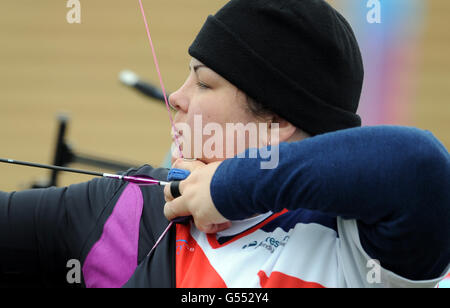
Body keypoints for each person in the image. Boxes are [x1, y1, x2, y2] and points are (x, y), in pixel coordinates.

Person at [0, 0, 448, 288]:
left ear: (277, 121)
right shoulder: (131, 207)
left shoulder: (354, 241)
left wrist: (227, 187)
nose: (176, 98)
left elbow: (421, 167)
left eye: (203, 82)